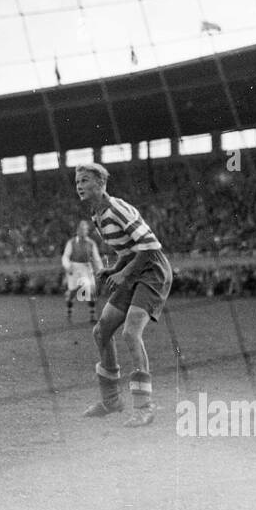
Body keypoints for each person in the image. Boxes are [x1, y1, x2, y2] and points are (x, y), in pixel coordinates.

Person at [75, 163, 172, 427]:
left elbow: (151, 246)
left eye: (84, 180)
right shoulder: (96, 214)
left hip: (152, 271)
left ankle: (145, 406)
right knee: (101, 331)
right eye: (77, 182)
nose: (79, 186)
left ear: (101, 183)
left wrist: (124, 274)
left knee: (130, 332)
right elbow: (128, 250)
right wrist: (114, 269)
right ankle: (111, 401)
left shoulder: (117, 209)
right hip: (133, 269)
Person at [61, 219, 103, 323]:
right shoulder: (71, 243)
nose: (84, 231)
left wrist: (101, 270)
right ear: (77, 230)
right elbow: (65, 256)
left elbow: (96, 258)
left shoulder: (91, 243)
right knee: (72, 291)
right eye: (81, 229)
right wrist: (68, 266)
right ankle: (69, 314)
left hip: (86, 268)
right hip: (74, 268)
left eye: (85, 229)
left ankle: (92, 316)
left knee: (90, 291)